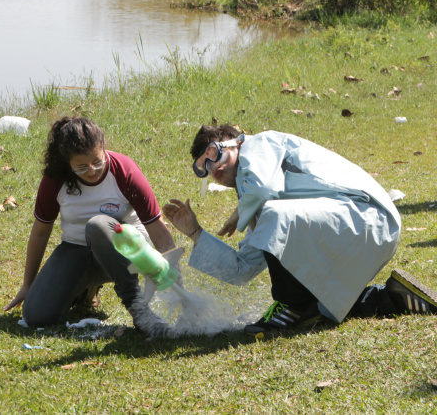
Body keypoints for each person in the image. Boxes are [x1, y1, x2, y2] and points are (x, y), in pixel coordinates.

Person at [163, 124, 437, 335]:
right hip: (356, 230)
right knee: (323, 309)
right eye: (203, 167)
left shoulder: (261, 145)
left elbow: (264, 189)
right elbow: (241, 269)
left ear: (236, 141)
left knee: (273, 214)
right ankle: (389, 298)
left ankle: (292, 304)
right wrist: (196, 233)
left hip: (371, 217)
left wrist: (242, 213)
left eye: (213, 153)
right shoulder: (254, 198)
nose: (213, 167)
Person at [3, 117, 176, 338]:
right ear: (67, 162)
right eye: (81, 167)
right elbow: (40, 231)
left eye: (97, 161)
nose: (92, 170)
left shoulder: (124, 170)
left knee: (97, 225)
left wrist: (174, 277)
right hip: (78, 249)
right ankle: (86, 290)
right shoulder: (55, 179)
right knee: (37, 316)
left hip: (128, 250)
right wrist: (28, 284)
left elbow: (156, 227)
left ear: (103, 146)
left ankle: (138, 307)